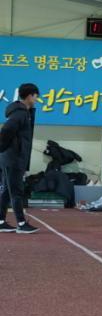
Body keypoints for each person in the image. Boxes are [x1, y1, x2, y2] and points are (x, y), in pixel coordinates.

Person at [0, 83, 40, 234]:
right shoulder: (20, 113)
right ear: (29, 96)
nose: (36, 99)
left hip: (11, 157)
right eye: (35, 96)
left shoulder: (23, 112)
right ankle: (21, 224)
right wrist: (3, 149)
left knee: (7, 191)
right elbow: (6, 130)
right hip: (13, 158)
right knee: (16, 191)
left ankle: (0, 221)